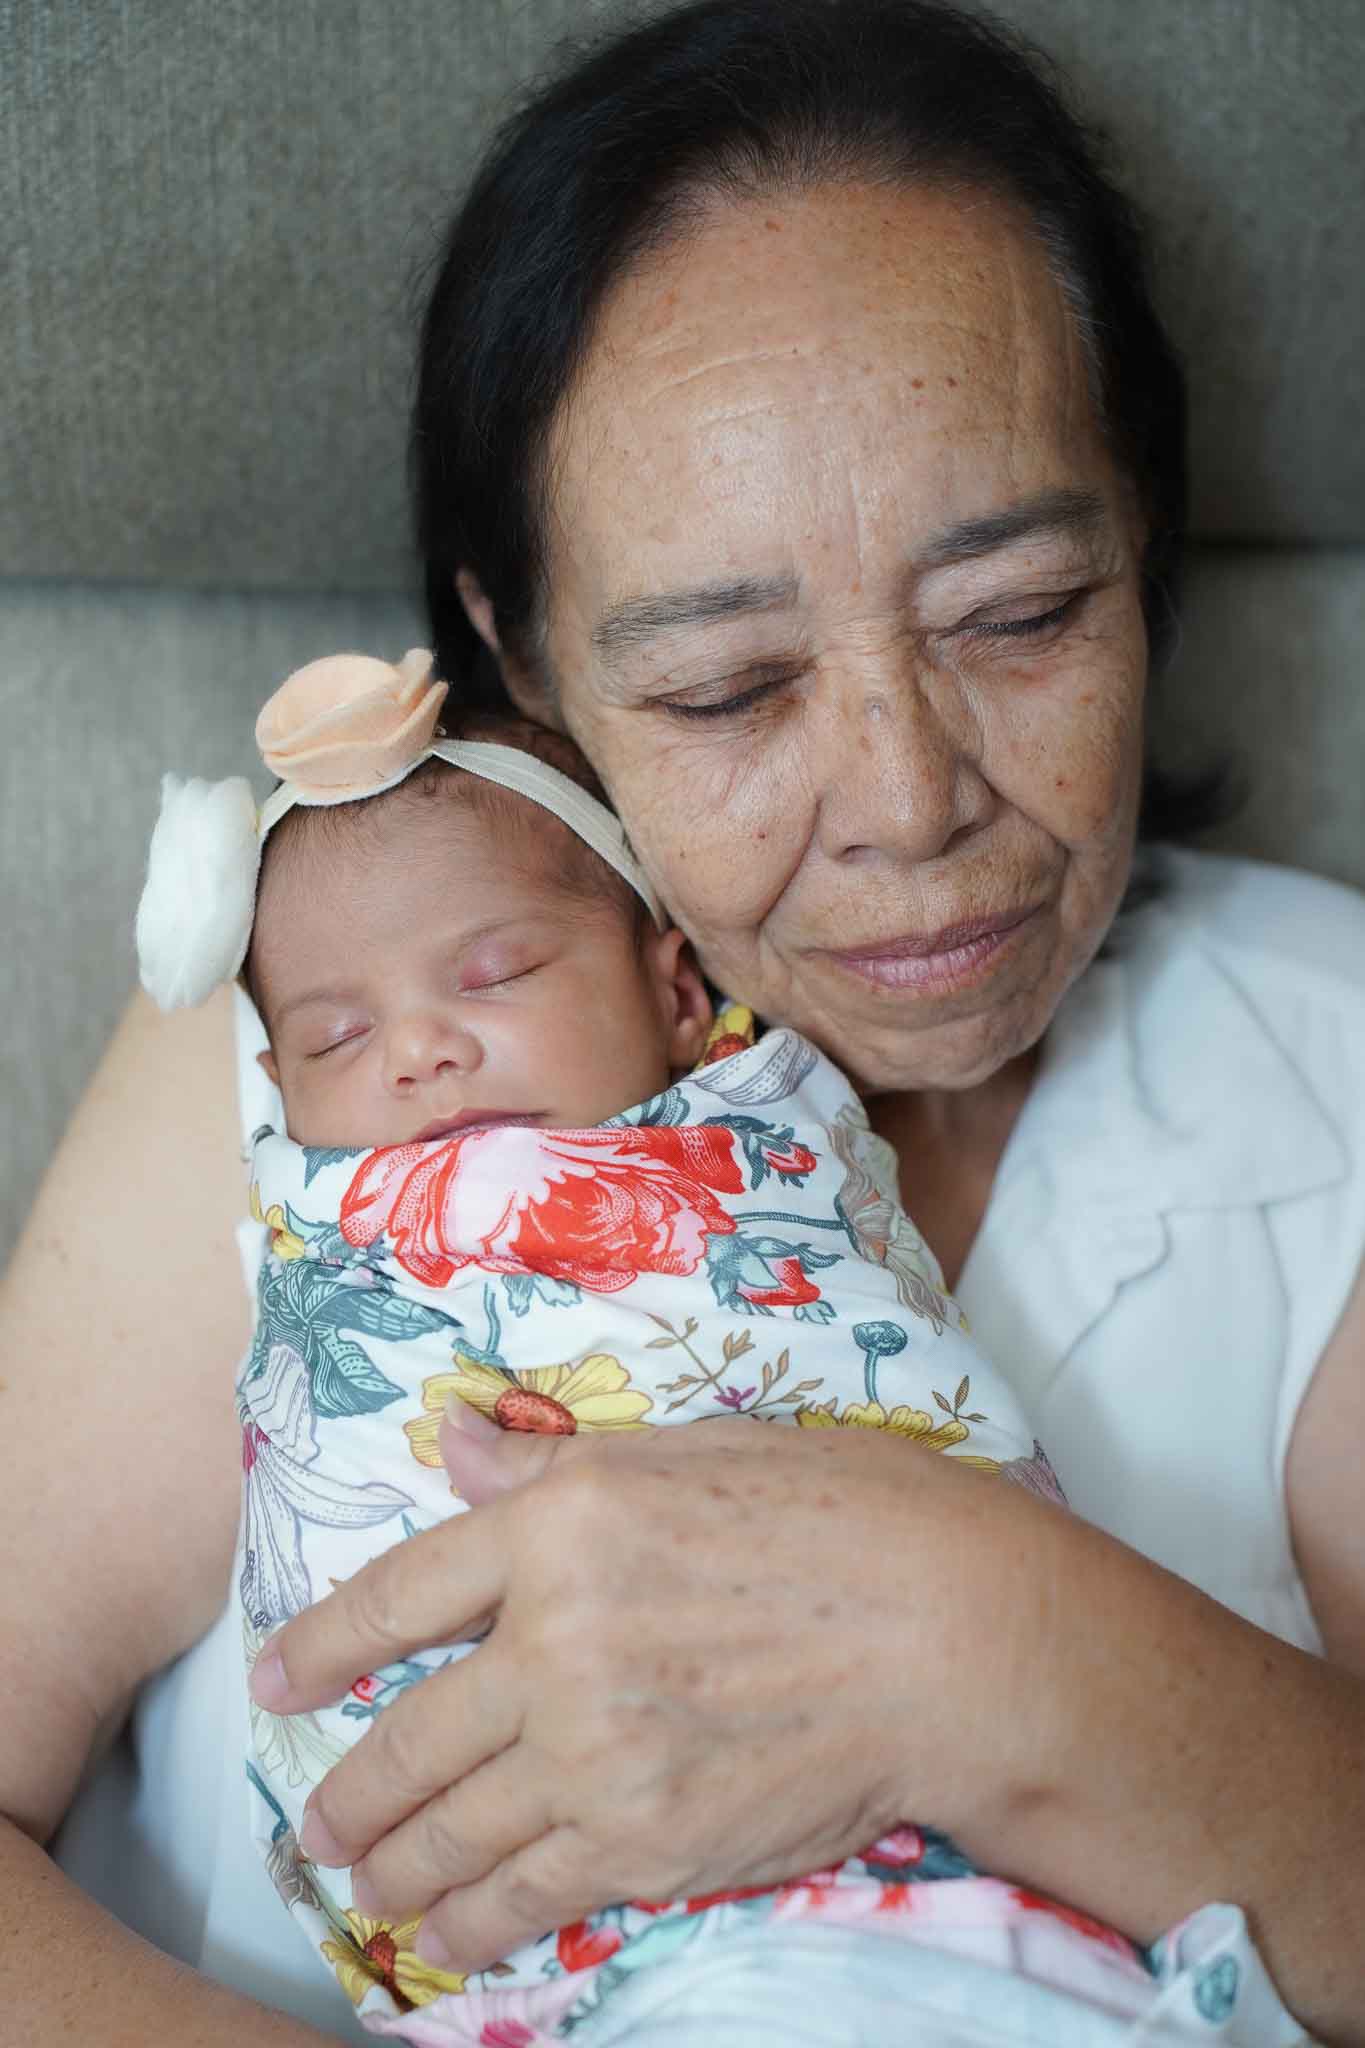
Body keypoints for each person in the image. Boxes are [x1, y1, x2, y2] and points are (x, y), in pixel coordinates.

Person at [3, 1, 1363, 2044]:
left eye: (1018, 617)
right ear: (515, 649)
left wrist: (972, 1634)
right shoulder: (327, 1053)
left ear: (1144, 548)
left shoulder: (1321, 1076)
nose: (908, 803)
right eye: (726, 689)